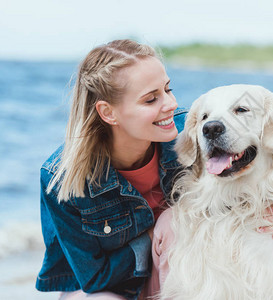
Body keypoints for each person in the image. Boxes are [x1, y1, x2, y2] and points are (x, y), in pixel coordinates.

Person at [35, 39, 186, 299]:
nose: (170, 104)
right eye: (151, 99)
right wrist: (153, 234)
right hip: (110, 290)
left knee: (175, 223)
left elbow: (254, 161)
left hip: (175, 278)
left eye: (168, 89)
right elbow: (93, 279)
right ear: (108, 112)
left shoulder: (192, 131)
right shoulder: (62, 179)